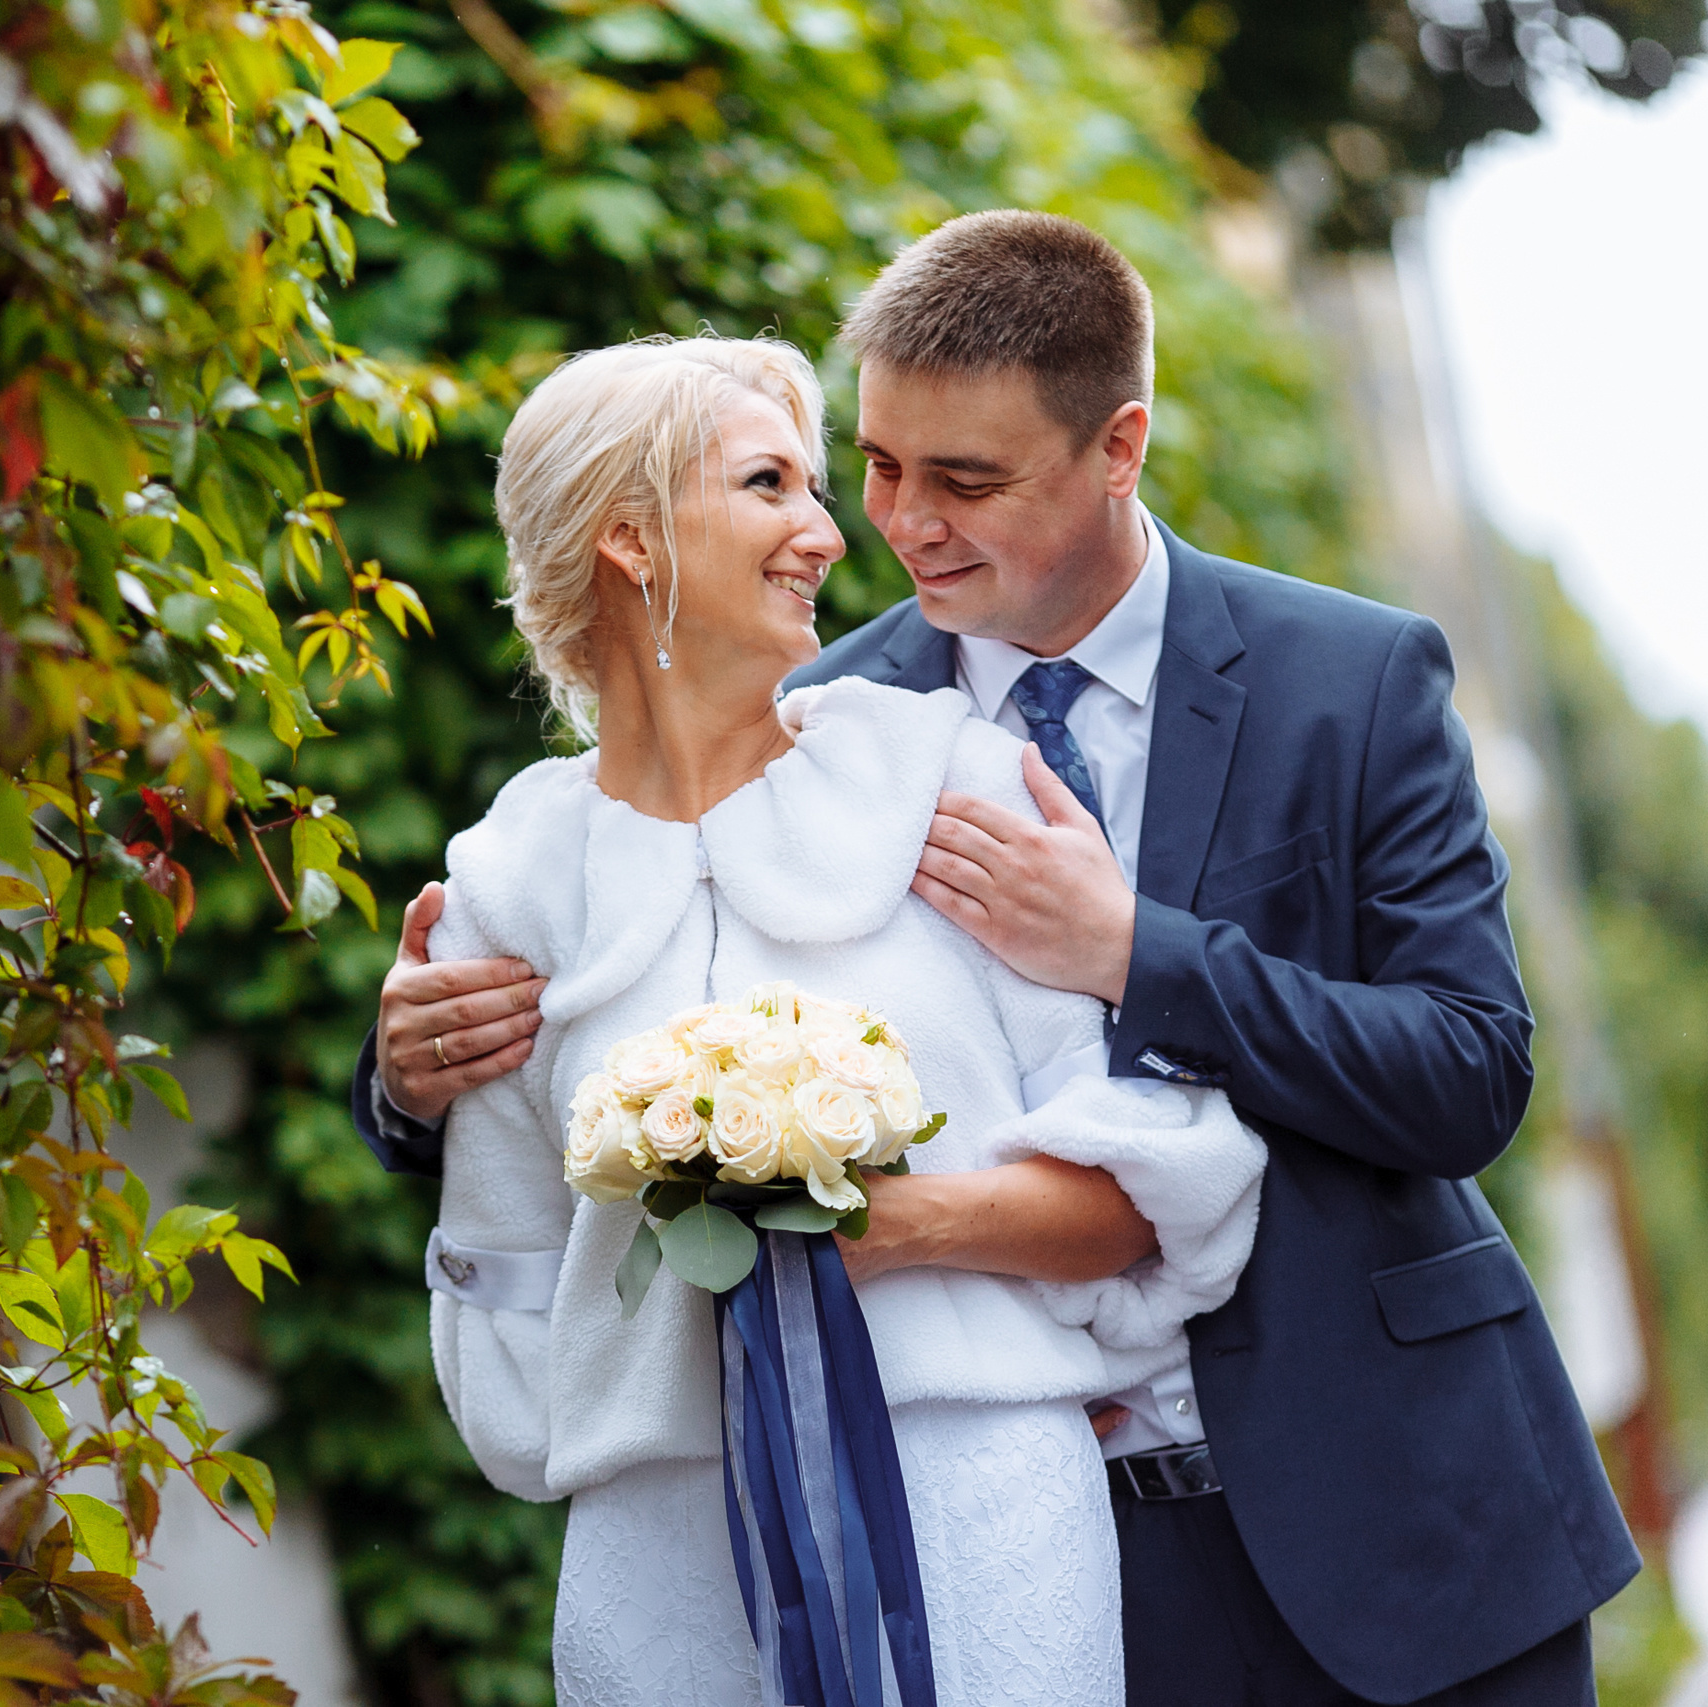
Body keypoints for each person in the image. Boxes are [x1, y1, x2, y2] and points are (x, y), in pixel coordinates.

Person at [362, 212, 1639, 1704]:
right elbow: (616, 980)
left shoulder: (1349, 679)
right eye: (882, 467)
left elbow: (1471, 1074)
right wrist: (408, 1078)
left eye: (965, 482)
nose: (897, 529)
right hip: (1063, 1545)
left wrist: (1133, 952)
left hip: (1401, 1514)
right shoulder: (829, 731)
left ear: (1119, 449)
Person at [421, 329, 1267, 1704]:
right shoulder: (505, 889)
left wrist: (884, 1228)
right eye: (770, 485)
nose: (827, 534)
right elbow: (504, 1270)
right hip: (661, 1551)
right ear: (632, 540)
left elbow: (1155, 1184)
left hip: (985, 1503)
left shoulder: (958, 788)